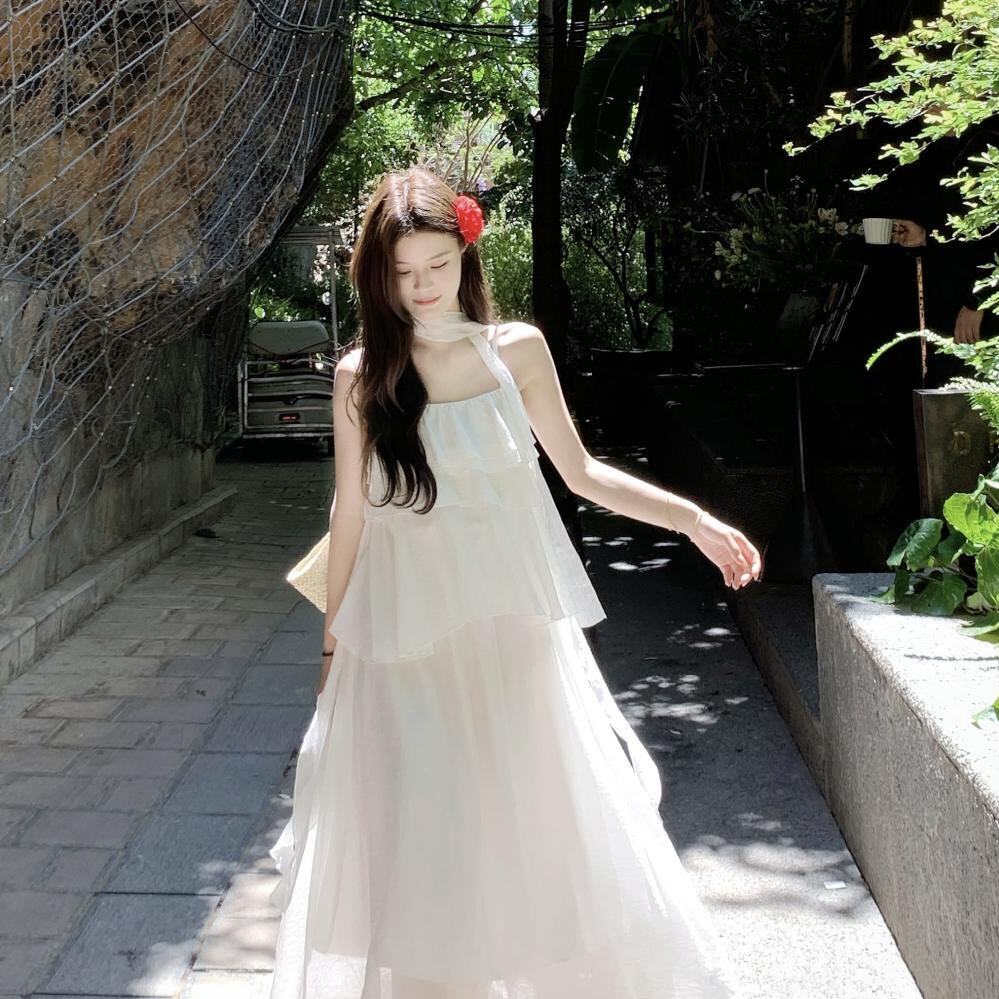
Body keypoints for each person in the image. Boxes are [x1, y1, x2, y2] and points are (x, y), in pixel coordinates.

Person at [266, 166, 761, 999]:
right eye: (403, 272)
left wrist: (692, 520)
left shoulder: (515, 351)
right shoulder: (361, 375)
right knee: (426, 847)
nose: (423, 286)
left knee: (533, 833)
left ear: (467, 252)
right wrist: (330, 650)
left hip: (514, 642)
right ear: (377, 277)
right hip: (405, 649)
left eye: (437, 264)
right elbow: (348, 518)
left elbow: (583, 472)